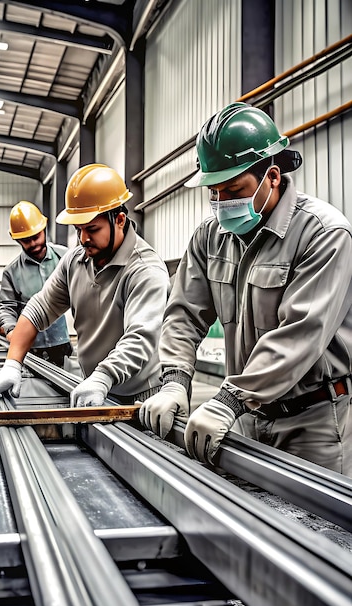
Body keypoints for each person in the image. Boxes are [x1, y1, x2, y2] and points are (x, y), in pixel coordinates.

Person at [140, 102, 352, 476]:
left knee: (317, 530)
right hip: (247, 418)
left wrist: (228, 400)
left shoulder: (323, 234)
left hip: (313, 422)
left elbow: (300, 334)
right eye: (214, 192)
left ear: (272, 176)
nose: (222, 203)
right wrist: (173, 381)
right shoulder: (210, 237)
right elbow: (183, 314)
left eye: (233, 189)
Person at [0, 164, 169, 409]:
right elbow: (39, 309)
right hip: (94, 386)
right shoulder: (75, 261)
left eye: (92, 229)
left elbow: (140, 338)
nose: (83, 239)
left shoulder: (145, 270)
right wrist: (12, 364)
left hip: (139, 397)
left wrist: (103, 377)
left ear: (119, 220)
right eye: (78, 229)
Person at [0, 201, 72, 367]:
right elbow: (7, 307)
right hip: (30, 349)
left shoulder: (65, 258)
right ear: (17, 240)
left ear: (43, 229)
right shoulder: (11, 272)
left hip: (61, 344)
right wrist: (11, 330)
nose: (33, 244)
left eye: (36, 237)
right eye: (25, 240)